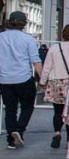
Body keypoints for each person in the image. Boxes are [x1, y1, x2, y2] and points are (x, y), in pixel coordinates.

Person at [39, 24, 69, 149]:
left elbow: (47, 67)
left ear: (63, 34)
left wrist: (42, 82)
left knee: (58, 111)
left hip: (57, 83)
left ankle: (57, 133)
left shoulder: (55, 48)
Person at [0, 11, 41, 149]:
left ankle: (11, 139)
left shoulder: (1, 37)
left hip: (5, 79)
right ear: (24, 24)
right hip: (24, 78)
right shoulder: (28, 39)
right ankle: (19, 130)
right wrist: (43, 79)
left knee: (10, 109)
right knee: (27, 106)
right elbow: (36, 61)